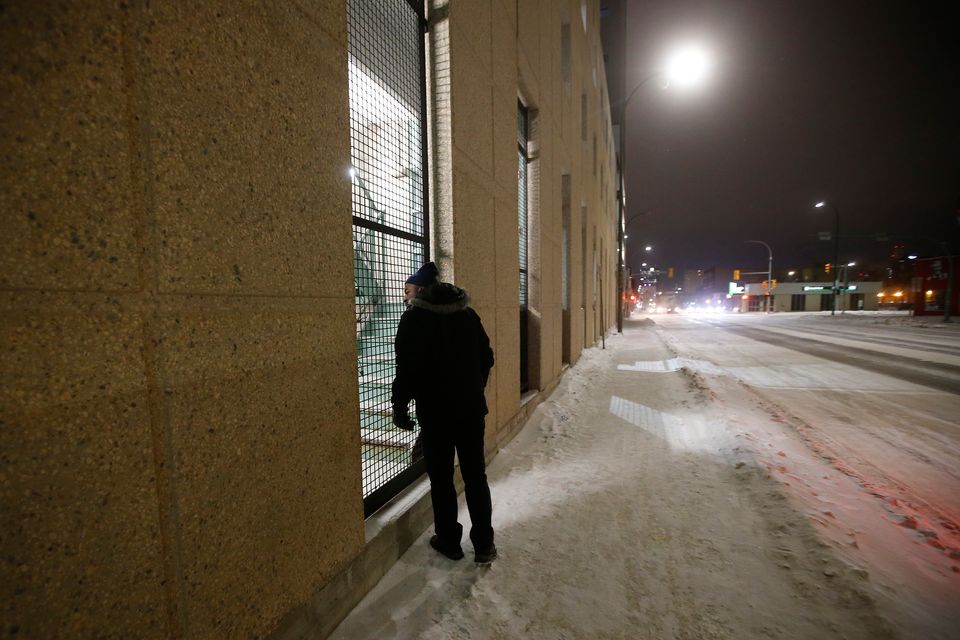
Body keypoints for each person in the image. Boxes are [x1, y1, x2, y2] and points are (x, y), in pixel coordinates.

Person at [392, 262, 497, 564]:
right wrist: (474, 389)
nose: (405, 297)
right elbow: (487, 357)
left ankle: (449, 541)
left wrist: (399, 406)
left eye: (408, 291)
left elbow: (407, 369)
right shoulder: (468, 316)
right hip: (471, 411)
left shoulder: (414, 321)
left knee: (441, 479)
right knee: (476, 476)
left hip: (435, 414)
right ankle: (485, 544)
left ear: (422, 293)